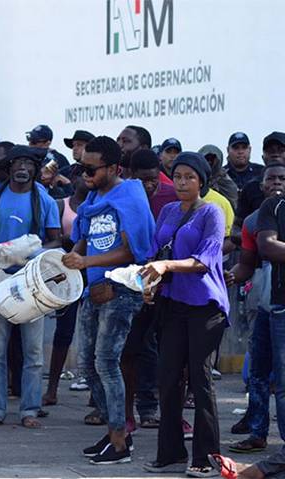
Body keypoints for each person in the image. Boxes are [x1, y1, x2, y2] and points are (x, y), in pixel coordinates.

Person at [62, 136, 155, 465]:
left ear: (114, 168)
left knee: (106, 363)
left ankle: (119, 441)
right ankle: (117, 430)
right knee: (86, 365)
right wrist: (69, 261)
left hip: (121, 291)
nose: (84, 174)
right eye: (81, 167)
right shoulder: (92, 199)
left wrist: (86, 264)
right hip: (93, 290)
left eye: (91, 168)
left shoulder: (129, 195)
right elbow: (84, 241)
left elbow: (134, 250)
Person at [138, 152, 228, 476]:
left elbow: (204, 260)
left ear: (201, 181)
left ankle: (206, 458)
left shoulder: (211, 213)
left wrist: (165, 265)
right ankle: (170, 453)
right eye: (177, 177)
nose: (182, 182)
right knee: (168, 378)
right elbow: (155, 252)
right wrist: (150, 283)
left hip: (205, 307)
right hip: (173, 304)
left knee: (200, 381)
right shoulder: (168, 210)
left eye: (189, 177)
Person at [0, 145, 60, 428]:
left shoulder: (44, 200)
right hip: (0, 279)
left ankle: (30, 410)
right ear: (9, 168)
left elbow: (55, 239)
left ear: (35, 170)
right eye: (18, 163)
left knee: (33, 352)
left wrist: (29, 253)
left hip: (32, 283)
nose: (23, 168)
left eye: (29, 164)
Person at [224, 164, 285, 455]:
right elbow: (247, 263)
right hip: (264, 305)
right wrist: (231, 274)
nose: (276, 182)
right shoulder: (251, 221)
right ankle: (258, 432)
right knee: (258, 373)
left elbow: (272, 249)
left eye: (282, 178)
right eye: (271, 178)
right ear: (261, 185)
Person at [123, 149, 178, 433]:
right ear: (129, 175)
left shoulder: (170, 197)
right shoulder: (120, 196)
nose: (149, 186)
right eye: (143, 180)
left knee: (157, 351)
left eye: (153, 180)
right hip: (127, 282)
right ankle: (125, 413)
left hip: (162, 285)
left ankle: (152, 408)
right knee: (130, 351)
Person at [43, 175, 89, 407]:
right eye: (82, 174)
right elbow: (51, 237)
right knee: (64, 330)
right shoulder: (61, 204)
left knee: (95, 331)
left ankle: (95, 392)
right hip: (68, 270)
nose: (86, 179)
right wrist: (68, 240)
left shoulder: (99, 204)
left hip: (93, 269)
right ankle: (52, 387)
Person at [237, 132, 285, 226]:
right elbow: (236, 227)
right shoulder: (251, 187)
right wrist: (255, 235)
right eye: (270, 151)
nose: (275, 154)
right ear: (263, 157)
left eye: (280, 150)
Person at [199, 144, 239, 210]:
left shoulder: (226, 183)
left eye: (212, 159)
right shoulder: (193, 179)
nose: (209, 162)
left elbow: (233, 206)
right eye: (206, 159)